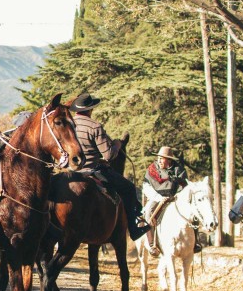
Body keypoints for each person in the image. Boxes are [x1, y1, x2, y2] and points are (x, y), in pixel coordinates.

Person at [70, 93, 150, 240]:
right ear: (90, 109)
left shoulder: (68, 124)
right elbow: (108, 155)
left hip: (70, 171)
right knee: (129, 188)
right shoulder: (94, 126)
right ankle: (134, 229)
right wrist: (117, 145)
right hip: (92, 169)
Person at [142, 146, 189, 225]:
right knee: (148, 211)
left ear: (169, 160)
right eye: (158, 158)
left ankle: (195, 231)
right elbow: (146, 187)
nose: (159, 161)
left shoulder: (179, 170)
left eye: (162, 159)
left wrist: (174, 197)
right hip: (156, 198)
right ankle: (149, 233)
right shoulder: (152, 169)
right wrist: (159, 198)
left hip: (175, 198)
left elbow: (184, 187)